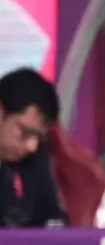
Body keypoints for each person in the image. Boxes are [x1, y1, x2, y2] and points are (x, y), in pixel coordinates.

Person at [0, 69, 65, 228]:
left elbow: (53, 219)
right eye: (25, 132)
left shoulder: (35, 162)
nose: (32, 147)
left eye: (39, 138)